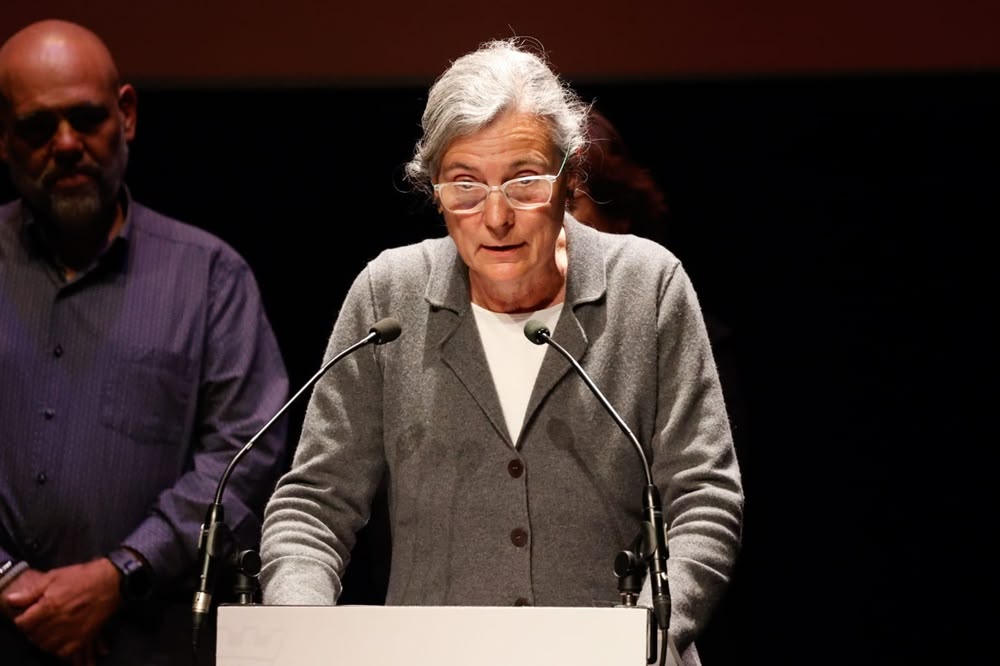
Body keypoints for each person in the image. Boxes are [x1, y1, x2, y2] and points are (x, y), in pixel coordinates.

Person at [258, 37, 743, 665]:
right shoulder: (388, 294)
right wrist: (302, 636)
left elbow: (704, 496)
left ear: (570, 179)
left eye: (523, 182)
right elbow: (312, 509)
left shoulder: (648, 286)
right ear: (434, 190)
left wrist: (648, 635)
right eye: (465, 184)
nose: (495, 217)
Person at [0, 19, 290, 665]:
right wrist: (9, 583)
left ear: (126, 115)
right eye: (37, 127)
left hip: (149, 643)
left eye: (86, 117)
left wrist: (120, 573)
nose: (67, 144)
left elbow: (247, 455)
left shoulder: (210, 277)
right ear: (3, 138)